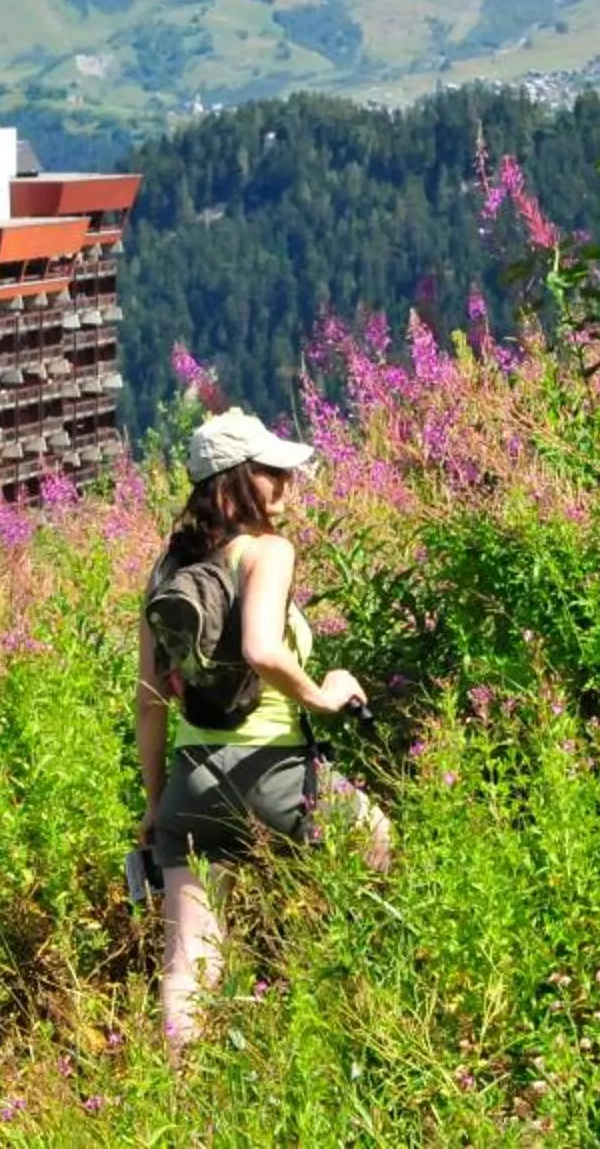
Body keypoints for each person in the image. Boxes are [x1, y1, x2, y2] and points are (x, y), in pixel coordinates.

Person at [134, 407, 392, 1050]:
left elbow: (148, 703)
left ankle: (177, 1092)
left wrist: (156, 803)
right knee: (379, 846)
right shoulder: (267, 552)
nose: (286, 483)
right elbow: (261, 650)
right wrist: (324, 696)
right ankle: (352, 1014)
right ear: (236, 481)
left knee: (189, 958)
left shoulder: (166, 573)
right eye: (272, 471)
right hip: (272, 769)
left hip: (192, 784)